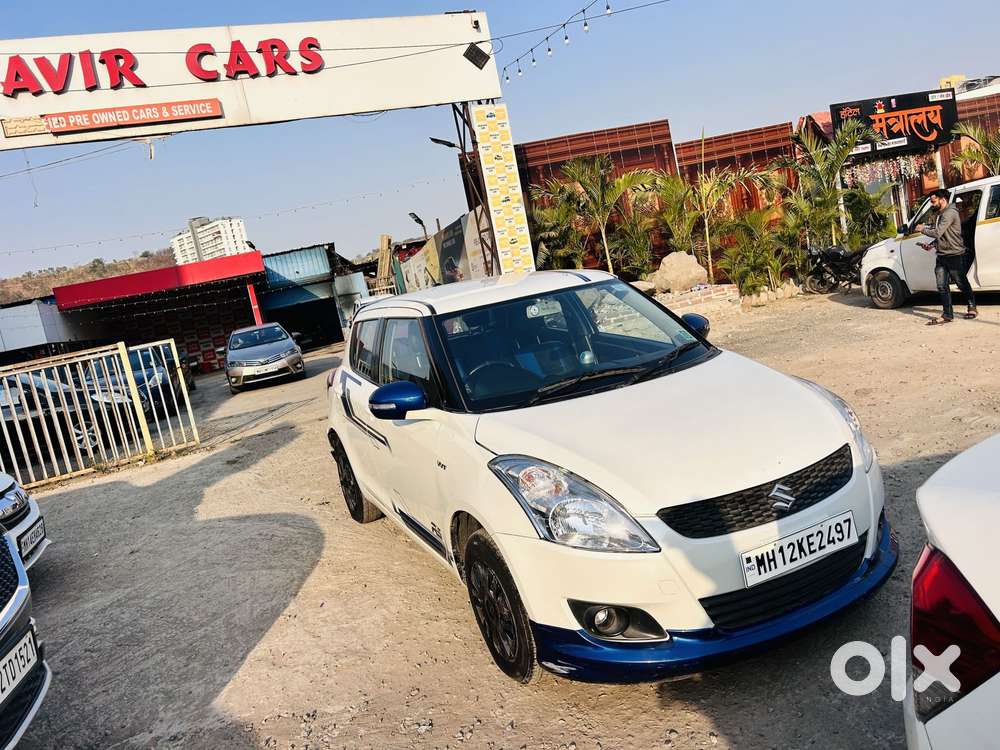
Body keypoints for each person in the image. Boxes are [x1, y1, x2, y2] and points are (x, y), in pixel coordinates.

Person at [916, 188, 977, 325]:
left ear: (942, 199)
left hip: (954, 254)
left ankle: (972, 307)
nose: (932, 204)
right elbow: (942, 235)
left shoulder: (949, 213)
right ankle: (947, 315)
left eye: (933, 201)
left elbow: (938, 232)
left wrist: (922, 229)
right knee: (942, 286)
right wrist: (931, 245)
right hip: (942, 255)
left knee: (961, 283)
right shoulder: (940, 214)